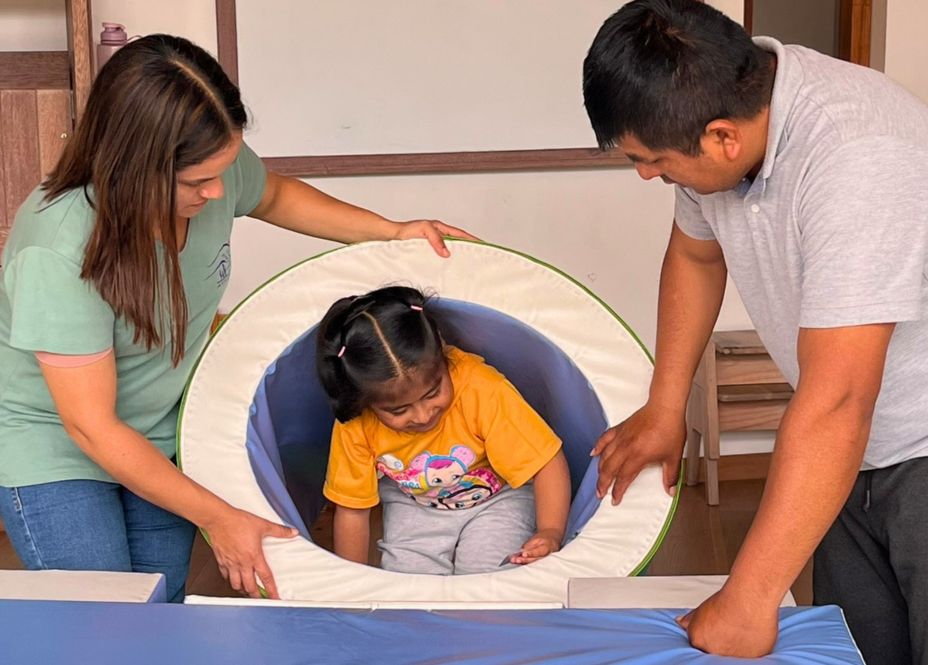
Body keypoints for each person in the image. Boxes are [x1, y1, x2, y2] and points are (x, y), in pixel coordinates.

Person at [0, 34, 474, 603]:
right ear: (131, 167)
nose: (219, 191)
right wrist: (219, 517)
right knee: (105, 614)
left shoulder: (207, 172)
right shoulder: (56, 249)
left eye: (224, 169)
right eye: (197, 182)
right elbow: (91, 428)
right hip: (56, 445)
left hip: (160, 431)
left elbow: (274, 195)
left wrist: (393, 231)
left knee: (159, 602)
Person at [582, 1, 928, 662]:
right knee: (858, 645)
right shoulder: (719, 110)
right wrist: (665, 405)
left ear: (721, 139)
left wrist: (750, 595)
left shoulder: (860, 160)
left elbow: (837, 404)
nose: (647, 174)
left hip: (904, 432)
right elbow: (695, 254)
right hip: (847, 447)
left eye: (650, 159)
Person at [316, 286, 570, 574]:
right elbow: (352, 509)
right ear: (363, 401)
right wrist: (352, 580)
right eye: (399, 411)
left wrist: (550, 531)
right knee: (409, 587)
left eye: (433, 392)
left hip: (497, 498)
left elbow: (545, 461)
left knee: (486, 575)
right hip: (415, 505)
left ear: (441, 349)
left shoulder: (480, 387)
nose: (423, 415)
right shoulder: (356, 421)